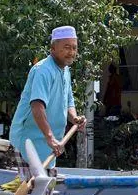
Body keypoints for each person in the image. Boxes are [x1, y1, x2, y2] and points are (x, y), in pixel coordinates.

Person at [8, 26, 87, 172]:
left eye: (74, 48)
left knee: (44, 192)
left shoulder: (65, 70)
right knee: (30, 192)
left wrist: (75, 118)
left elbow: (68, 102)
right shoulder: (43, 70)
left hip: (48, 147)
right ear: (53, 48)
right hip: (28, 144)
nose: (71, 52)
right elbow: (37, 106)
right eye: (67, 47)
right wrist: (50, 137)